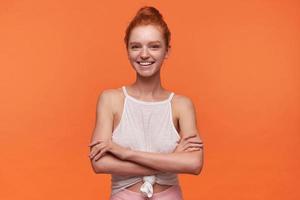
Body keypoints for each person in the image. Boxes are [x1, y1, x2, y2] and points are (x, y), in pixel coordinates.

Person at [88, 6, 204, 200]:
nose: (144, 54)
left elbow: (194, 164)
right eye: (136, 46)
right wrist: (172, 159)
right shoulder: (110, 100)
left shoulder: (181, 105)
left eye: (154, 46)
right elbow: (99, 163)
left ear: (167, 51)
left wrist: (124, 153)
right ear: (127, 51)